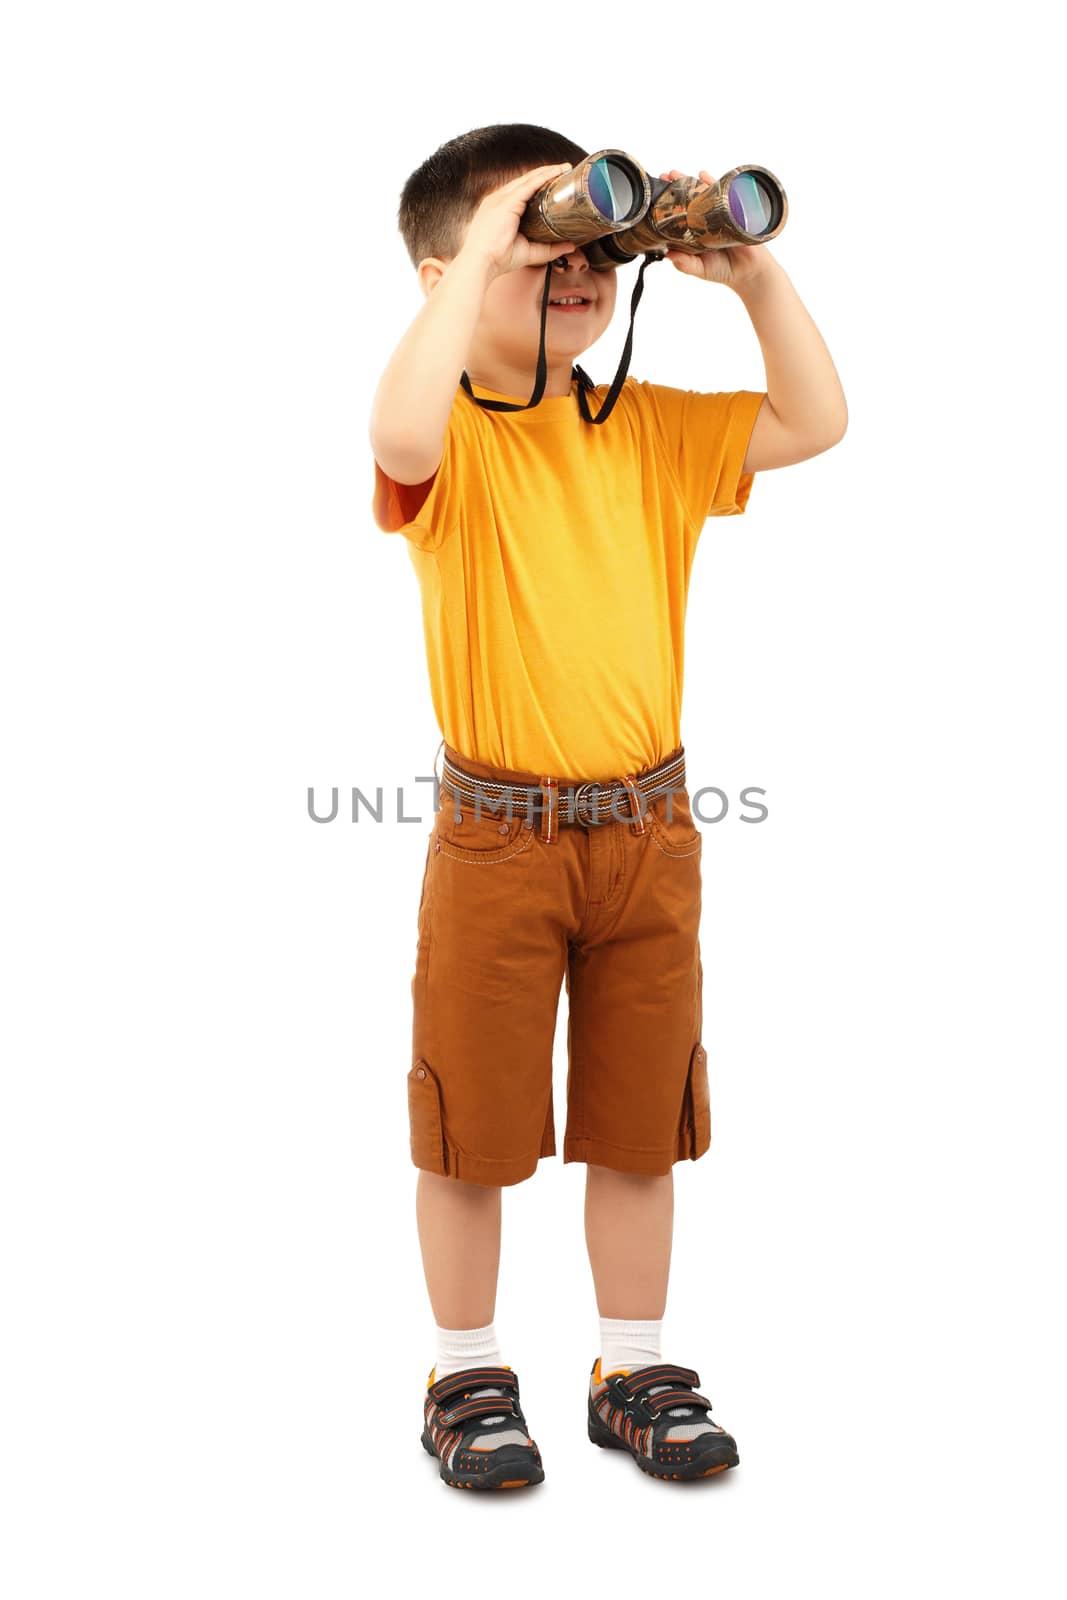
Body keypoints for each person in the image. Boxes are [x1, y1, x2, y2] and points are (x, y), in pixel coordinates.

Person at [368, 123, 847, 1491]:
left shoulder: (647, 426)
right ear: (443, 276)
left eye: (594, 254)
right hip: (495, 838)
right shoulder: (448, 433)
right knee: (473, 1127)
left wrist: (751, 281)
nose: (574, 274)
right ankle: (466, 1370)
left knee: (643, 1119)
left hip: (653, 833)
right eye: (538, 254)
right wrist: (481, 259)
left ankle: (630, 1365)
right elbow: (394, 423)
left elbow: (816, 422)